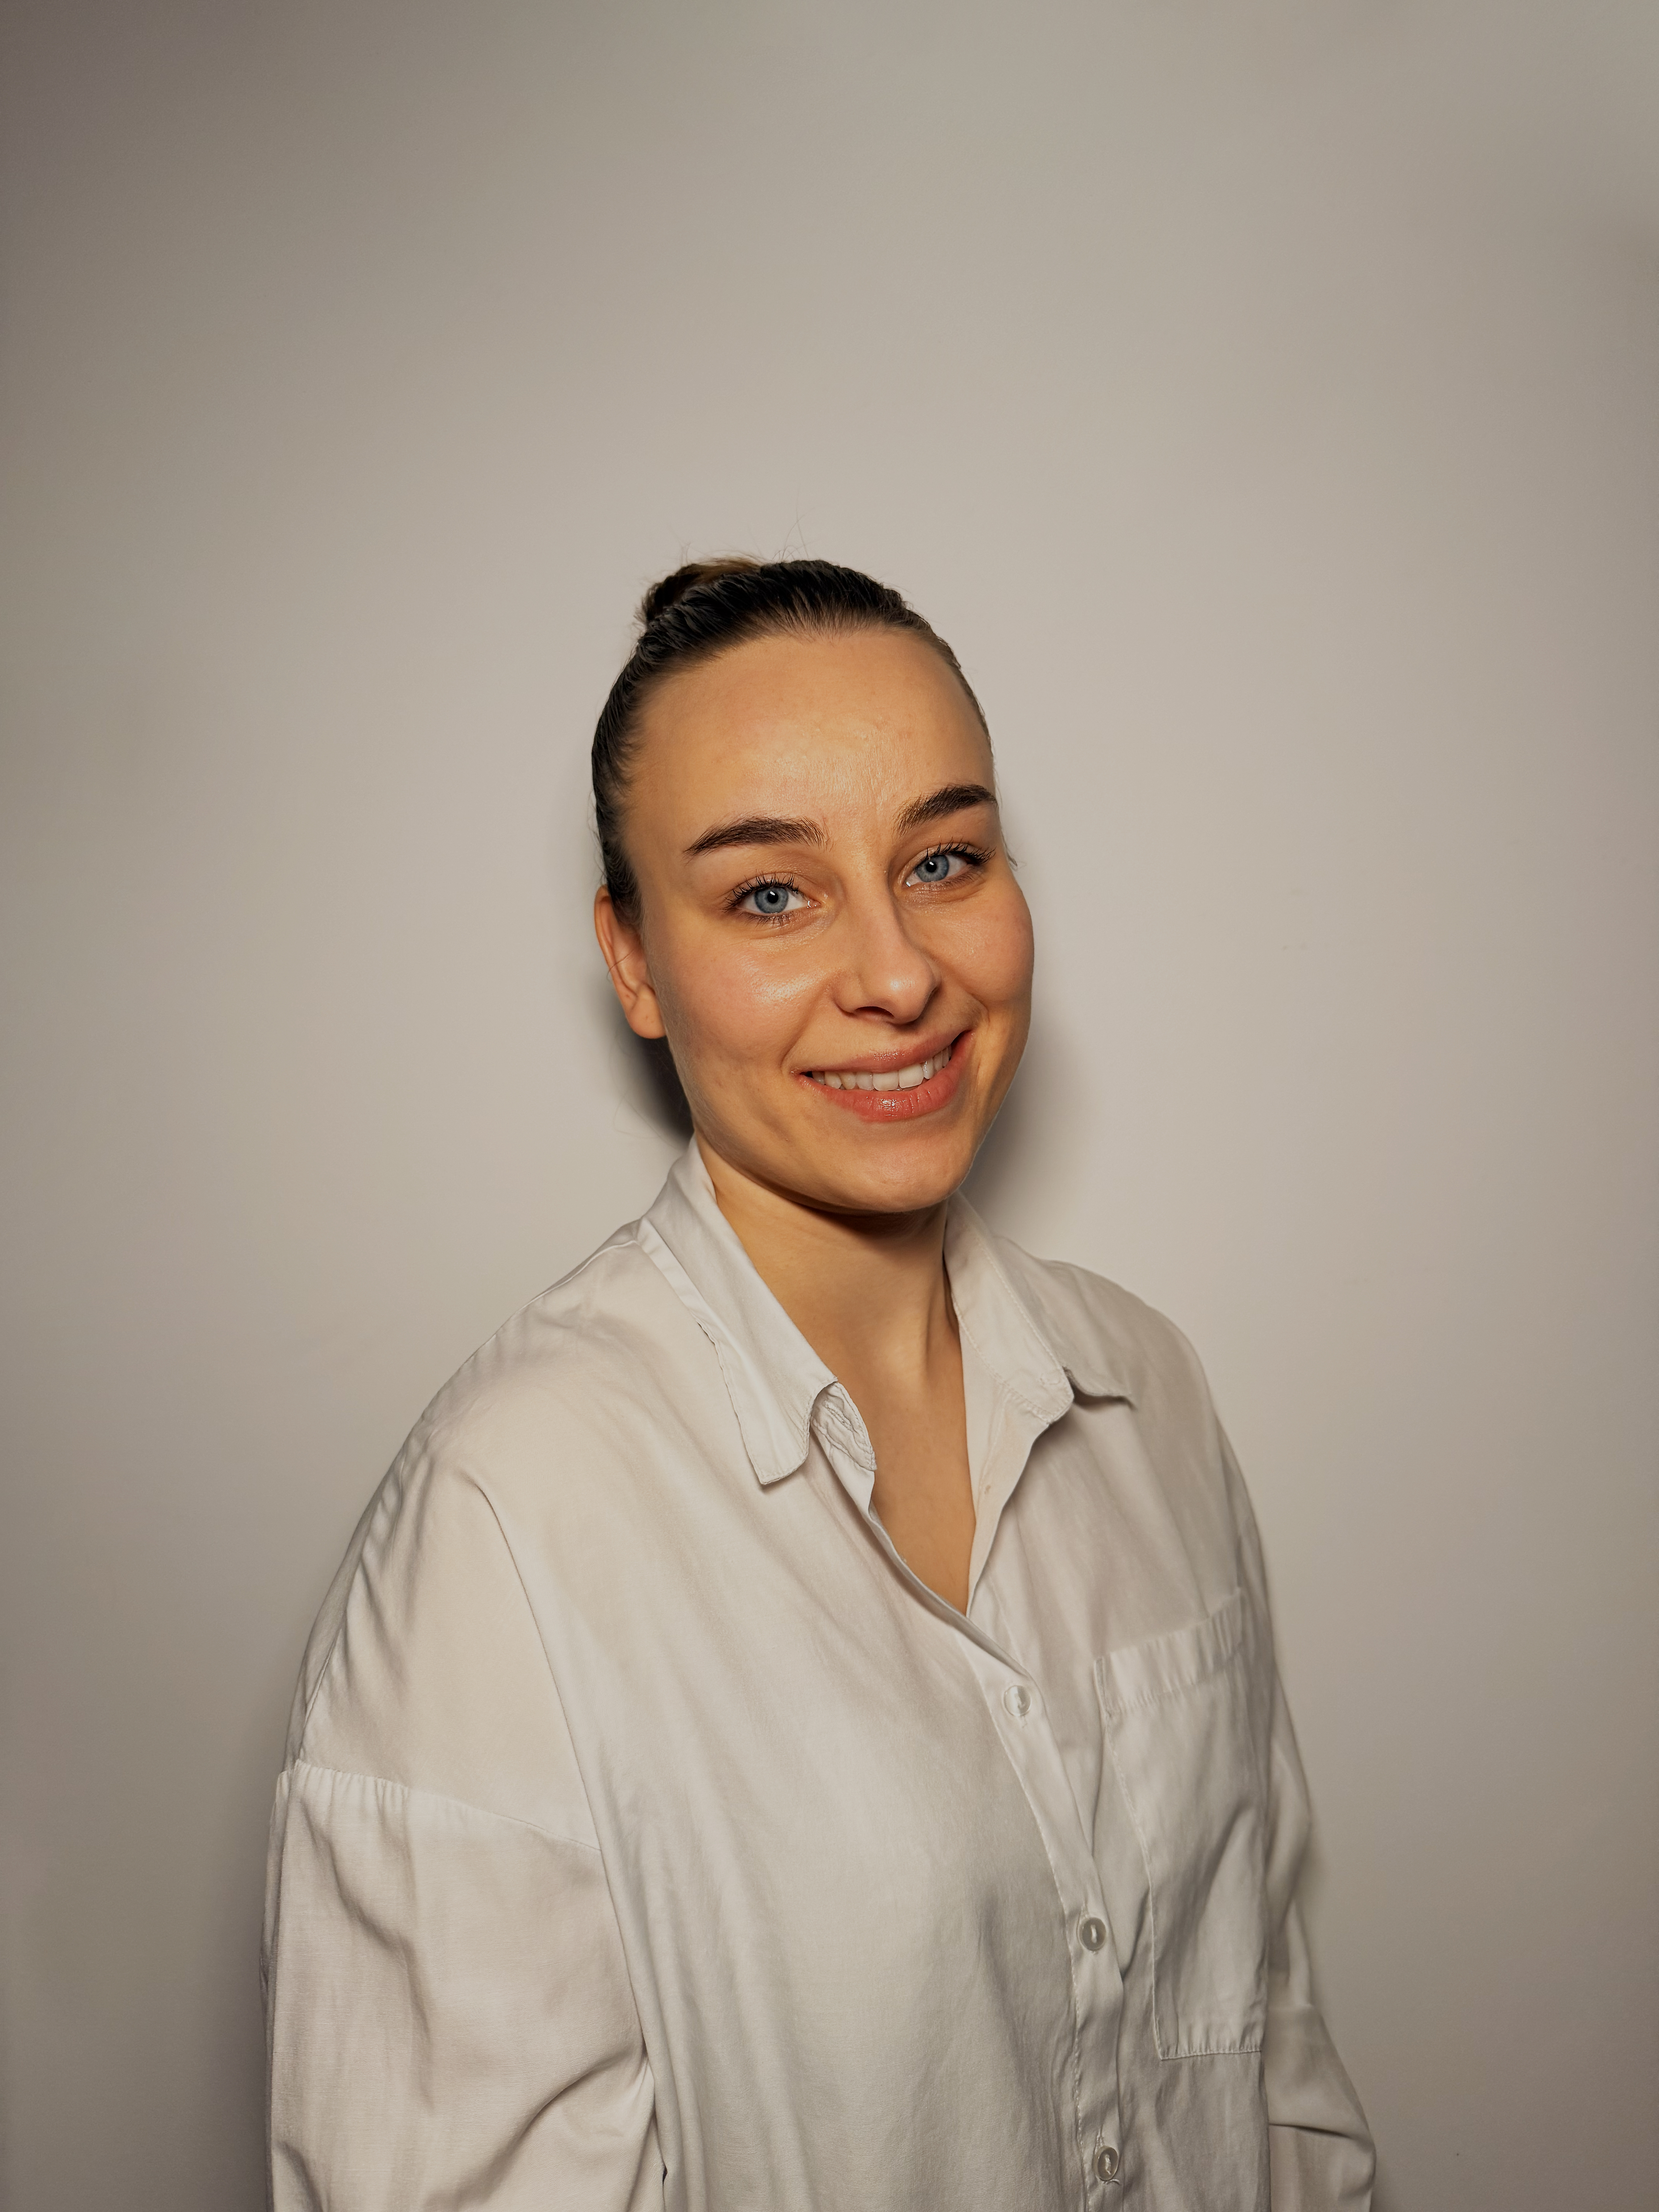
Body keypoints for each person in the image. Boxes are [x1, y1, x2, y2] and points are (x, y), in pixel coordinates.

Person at [262, 557, 1375, 2211]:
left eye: (943, 859)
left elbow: (1270, 2062)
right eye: (771, 895)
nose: (901, 974)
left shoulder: (1154, 1396)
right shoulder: (507, 1531)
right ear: (634, 964)